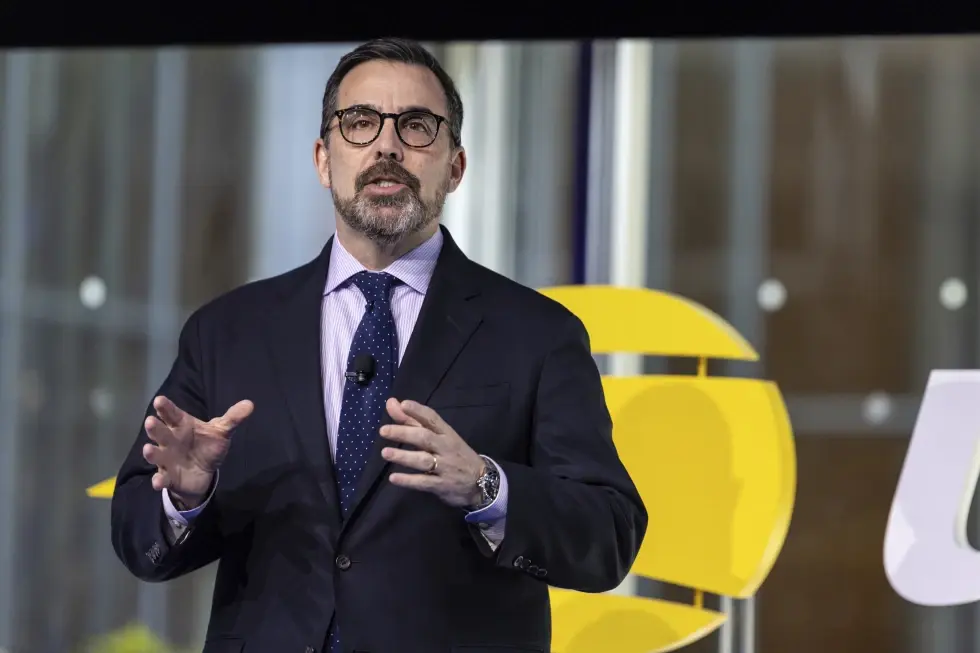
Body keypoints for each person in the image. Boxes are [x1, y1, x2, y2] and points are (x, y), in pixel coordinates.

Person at [110, 38, 647, 653]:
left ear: (456, 166)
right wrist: (185, 496)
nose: (386, 146)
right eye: (360, 123)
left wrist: (486, 486)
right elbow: (137, 539)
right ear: (322, 158)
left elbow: (607, 535)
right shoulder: (228, 331)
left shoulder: (537, 333)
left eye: (416, 127)